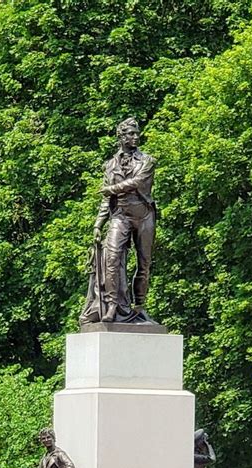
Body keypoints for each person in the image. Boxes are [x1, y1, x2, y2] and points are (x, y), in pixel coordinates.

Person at [80, 117, 157, 324]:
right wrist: (98, 224)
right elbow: (107, 200)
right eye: (131, 134)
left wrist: (111, 189)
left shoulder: (147, 161)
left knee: (144, 264)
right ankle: (113, 305)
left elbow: (138, 182)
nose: (135, 137)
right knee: (110, 258)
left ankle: (139, 307)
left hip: (144, 216)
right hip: (120, 215)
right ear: (121, 137)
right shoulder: (110, 165)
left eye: (136, 133)